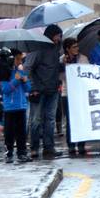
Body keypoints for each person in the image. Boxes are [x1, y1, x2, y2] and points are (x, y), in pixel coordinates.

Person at [28, 24, 64, 159]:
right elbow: (28, 68)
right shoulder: (38, 48)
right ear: (51, 35)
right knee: (36, 120)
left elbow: (53, 67)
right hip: (38, 90)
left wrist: (62, 65)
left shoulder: (56, 48)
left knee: (49, 120)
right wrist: (32, 87)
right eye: (57, 36)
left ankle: (49, 148)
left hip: (52, 89)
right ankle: (34, 148)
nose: (59, 38)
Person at [1, 49, 32, 163]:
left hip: (22, 106)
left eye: (21, 59)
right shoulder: (5, 72)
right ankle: (8, 154)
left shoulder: (21, 71)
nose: (20, 62)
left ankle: (22, 153)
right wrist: (15, 80)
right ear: (11, 58)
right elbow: (5, 90)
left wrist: (24, 81)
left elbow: (28, 88)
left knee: (21, 132)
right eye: (17, 59)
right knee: (9, 133)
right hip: (10, 107)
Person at [60, 38, 89, 156]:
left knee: (81, 119)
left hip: (80, 93)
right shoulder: (61, 60)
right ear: (67, 49)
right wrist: (65, 66)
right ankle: (71, 145)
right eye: (74, 47)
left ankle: (81, 144)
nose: (77, 49)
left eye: (77, 46)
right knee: (70, 121)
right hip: (67, 94)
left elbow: (87, 73)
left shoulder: (83, 58)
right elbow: (60, 77)